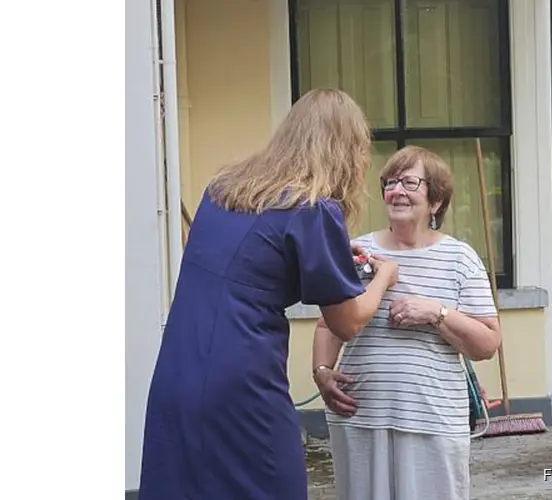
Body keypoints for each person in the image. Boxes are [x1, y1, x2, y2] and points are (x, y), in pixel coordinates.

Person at [138, 88, 399, 500]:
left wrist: (326, 255)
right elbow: (346, 322)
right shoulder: (314, 208)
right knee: (272, 485)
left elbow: (247, 263)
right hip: (243, 380)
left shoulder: (224, 189)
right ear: (347, 149)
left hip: (179, 368)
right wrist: (385, 275)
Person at [312, 145, 502, 500]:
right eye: (390, 182)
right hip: (361, 416)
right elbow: (327, 325)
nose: (396, 190)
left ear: (436, 202)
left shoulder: (460, 259)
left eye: (410, 182)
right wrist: (321, 372)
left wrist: (436, 313)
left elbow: (488, 343)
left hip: (434, 419)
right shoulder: (357, 252)